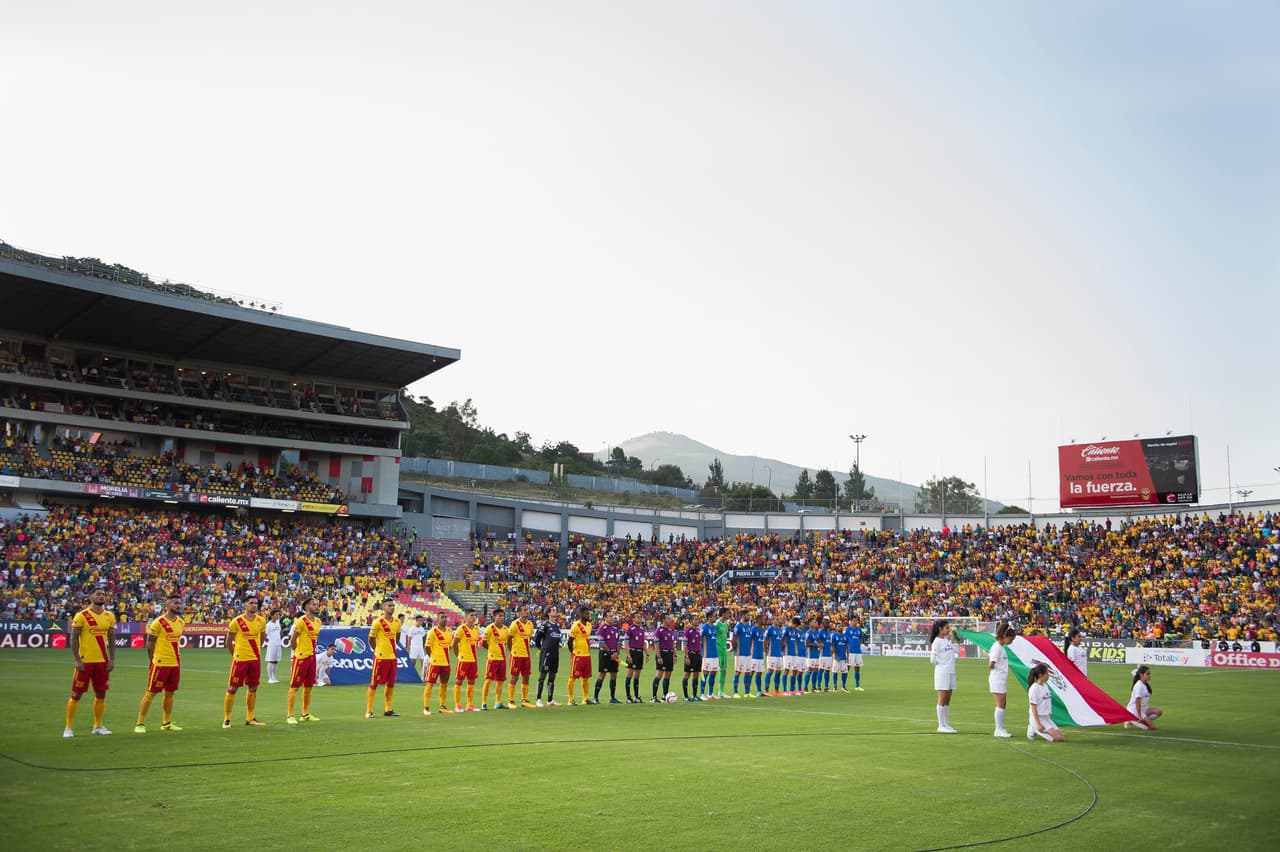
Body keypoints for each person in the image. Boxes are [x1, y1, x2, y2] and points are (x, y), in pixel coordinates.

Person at [65, 587, 117, 737]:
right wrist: (76, 659)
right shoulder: (82, 616)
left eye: (103, 594)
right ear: (90, 597)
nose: (101, 596)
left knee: (101, 694)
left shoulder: (109, 616)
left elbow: (112, 638)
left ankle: (98, 726)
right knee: (76, 694)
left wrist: (112, 659)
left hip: (102, 662)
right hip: (85, 661)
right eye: (98, 594)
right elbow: (73, 638)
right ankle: (68, 728)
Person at [135, 591, 184, 734]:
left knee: (170, 694)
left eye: (180, 603)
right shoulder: (158, 623)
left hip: (175, 664)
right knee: (151, 693)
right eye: (175, 603)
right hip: (161, 663)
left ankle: (166, 723)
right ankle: (140, 723)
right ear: (167, 605)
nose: (178, 605)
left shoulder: (181, 622)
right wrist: (152, 662)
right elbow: (150, 644)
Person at [224, 595, 267, 729]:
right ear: (245, 605)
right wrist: (235, 655)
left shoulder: (261, 621)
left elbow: (261, 639)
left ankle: (250, 718)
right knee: (233, 688)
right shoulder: (236, 622)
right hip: (240, 660)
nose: (254, 605)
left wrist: (256, 652)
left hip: (255, 659)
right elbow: (228, 642)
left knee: (253, 687)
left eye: (256, 603)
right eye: (251, 603)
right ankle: (227, 719)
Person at [286, 597, 322, 724]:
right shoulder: (301, 621)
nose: (317, 606)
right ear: (307, 607)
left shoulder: (318, 621)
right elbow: (292, 640)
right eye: (314, 604)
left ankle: (305, 713)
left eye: (317, 604)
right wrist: (298, 653)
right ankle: (290, 715)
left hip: (312, 657)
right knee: (295, 686)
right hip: (301, 657)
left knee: (309, 686)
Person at [365, 599, 402, 718]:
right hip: (381, 658)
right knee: (374, 683)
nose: (392, 607)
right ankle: (369, 711)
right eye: (389, 605)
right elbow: (371, 639)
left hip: (392, 657)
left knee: (391, 684)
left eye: (393, 605)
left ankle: (388, 709)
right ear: (383, 607)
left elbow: (397, 637)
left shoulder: (397, 622)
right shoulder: (378, 622)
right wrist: (377, 650)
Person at [929, 619, 958, 733]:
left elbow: (956, 650)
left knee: (948, 698)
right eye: (947, 628)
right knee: (942, 698)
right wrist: (942, 663)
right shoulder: (937, 642)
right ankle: (941, 725)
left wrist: (954, 635)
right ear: (940, 629)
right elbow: (932, 659)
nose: (948, 629)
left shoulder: (946, 641)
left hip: (951, 671)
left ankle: (946, 724)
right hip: (942, 672)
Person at [988, 621, 1015, 738]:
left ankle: (1000, 728)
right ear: (1005, 636)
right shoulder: (997, 647)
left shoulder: (1000, 647)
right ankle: (998, 729)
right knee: (1000, 704)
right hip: (997, 678)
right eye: (1011, 639)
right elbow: (991, 664)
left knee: (1003, 704)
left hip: (1001, 679)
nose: (1011, 642)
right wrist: (995, 665)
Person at [452, 608, 482, 712]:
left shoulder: (477, 630)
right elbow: (454, 644)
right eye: (471, 615)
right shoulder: (461, 629)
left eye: (474, 615)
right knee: (459, 681)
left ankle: (469, 704)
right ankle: (457, 705)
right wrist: (458, 655)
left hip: (473, 660)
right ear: (466, 617)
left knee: (471, 681)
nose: (473, 618)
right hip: (463, 659)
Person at [533, 607, 564, 707]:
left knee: (552, 676)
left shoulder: (558, 626)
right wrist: (541, 649)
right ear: (549, 614)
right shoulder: (545, 625)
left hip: (555, 654)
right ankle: (538, 699)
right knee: (542, 676)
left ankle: (550, 700)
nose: (556, 612)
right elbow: (537, 638)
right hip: (547, 653)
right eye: (554, 610)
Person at [507, 604, 536, 709]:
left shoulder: (530, 624)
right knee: (514, 677)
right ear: (519, 612)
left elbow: (530, 637)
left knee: (526, 677)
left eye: (527, 610)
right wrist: (512, 650)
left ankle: (525, 700)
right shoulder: (515, 624)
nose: (526, 612)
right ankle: (510, 701)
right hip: (517, 655)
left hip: (526, 655)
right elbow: (509, 639)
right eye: (524, 610)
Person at [1027, 663, 1064, 742]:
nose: (1048, 675)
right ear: (1040, 675)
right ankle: (1034, 728)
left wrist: (1049, 716)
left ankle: (1039, 730)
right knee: (1057, 739)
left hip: (1046, 717)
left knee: (1061, 738)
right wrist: (1038, 724)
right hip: (1039, 718)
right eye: (1047, 673)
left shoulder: (1045, 686)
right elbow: (1033, 707)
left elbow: (1047, 703)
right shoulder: (1034, 689)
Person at [423, 619, 453, 715]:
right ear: (438, 619)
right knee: (430, 684)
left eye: (445, 617)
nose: (444, 619)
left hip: (446, 662)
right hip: (435, 662)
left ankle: (442, 707)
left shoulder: (449, 631)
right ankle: (426, 708)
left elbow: (449, 646)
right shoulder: (432, 631)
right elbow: (427, 647)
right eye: (442, 617)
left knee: (444, 684)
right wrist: (433, 657)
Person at [480, 609, 509, 710]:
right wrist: (491, 650)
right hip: (492, 658)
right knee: (488, 680)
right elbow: (484, 643)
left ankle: (498, 702)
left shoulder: (506, 629)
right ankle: (484, 703)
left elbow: (505, 642)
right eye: (499, 616)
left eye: (502, 616)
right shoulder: (490, 628)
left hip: (502, 659)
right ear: (494, 617)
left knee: (500, 681)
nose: (501, 618)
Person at [593, 610, 622, 705]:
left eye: (612, 616)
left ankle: (612, 697)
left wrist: (616, 653)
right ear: (605, 617)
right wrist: (610, 653)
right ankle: (595, 698)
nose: (612, 618)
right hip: (605, 654)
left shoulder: (615, 629)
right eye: (610, 616)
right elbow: (601, 644)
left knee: (614, 675)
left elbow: (618, 643)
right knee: (602, 674)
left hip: (614, 655)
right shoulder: (602, 628)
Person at [567, 606, 593, 706]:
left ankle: (585, 699)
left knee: (586, 677)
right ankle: (570, 700)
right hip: (578, 655)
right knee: (573, 677)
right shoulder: (576, 626)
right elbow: (570, 641)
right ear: (581, 614)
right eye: (586, 613)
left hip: (587, 655)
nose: (588, 615)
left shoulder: (589, 625)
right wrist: (572, 652)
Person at [1125, 665, 1162, 730]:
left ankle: (1139, 720)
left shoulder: (1145, 684)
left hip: (1143, 709)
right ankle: (1133, 719)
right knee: (1152, 728)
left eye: (1149, 674)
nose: (1149, 675)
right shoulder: (1139, 686)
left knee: (1158, 711)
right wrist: (1140, 716)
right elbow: (1137, 702)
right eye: (1147, 674)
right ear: (1141, 675)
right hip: (1135, 711)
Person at [651, 614, 676, 703]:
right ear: (663, 620)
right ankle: (653, 697)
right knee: (659, 675)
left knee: (668, 676)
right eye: (668, 618)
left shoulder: (670, 630)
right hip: (662, 654)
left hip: (669, 654)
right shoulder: (659, 631)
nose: (670, 620)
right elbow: (656, 645)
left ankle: (665, 696)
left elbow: (672, 644)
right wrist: (659, 656)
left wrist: (675, 655)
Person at [624, 612, 647, 704]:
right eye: (638, 617)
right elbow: (626, 643)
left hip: (639, 653)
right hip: (632, 652)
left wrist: (646, 653)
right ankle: (628, 697)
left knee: (637, 676)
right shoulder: (630, 629)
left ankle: (636, 696)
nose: (640, 618)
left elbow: (643, 643)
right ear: (633, 619)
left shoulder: (641, 629)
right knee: (629, 675)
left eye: (640, 617)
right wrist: (628, 655)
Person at [732, 612, 754, 698]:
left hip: (747, 653)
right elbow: (734, 639)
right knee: (738, 672)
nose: (748, 617)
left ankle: (747, 692)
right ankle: (735, 692)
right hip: (739, 653)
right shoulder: (738, 626)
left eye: (749, 615)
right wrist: (735, 650)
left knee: (748, 672)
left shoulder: (749, 627)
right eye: (747, 615)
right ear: (742, 616)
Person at [763, 613, 785, 696]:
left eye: (779, 619)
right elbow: (765, 640)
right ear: (772, 620)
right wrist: (765, 651)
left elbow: (782, 641)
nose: (778, 621)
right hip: (772, 654)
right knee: (770, 671)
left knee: (778, 672)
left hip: (779, 654)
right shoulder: (770, 629)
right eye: (776, 619)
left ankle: (776, 691)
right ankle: (766, 690)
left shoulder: (780, 629)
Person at [681, 617, 703, 702]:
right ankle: (686, 696)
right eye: (695, 619)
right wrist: (686, 656)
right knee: (687, 674)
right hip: (690, 655)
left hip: (698, 655)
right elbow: (685, 645)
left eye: (698, 619)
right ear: (691, 621)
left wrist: (700, 654)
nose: (697, 621)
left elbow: (698, 644)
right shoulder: (687, 631)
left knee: (696, 675)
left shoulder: (698, 631)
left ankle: (694, 696)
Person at [699, 612, 720, 700]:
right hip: (707, 655)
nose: (716, 618)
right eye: (714, 616)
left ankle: (711, 693)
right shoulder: (704, 627)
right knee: (705, 673)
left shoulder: (715, 627)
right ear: (709, 617)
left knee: (713, 673)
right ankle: (702, 693)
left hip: (715, 654)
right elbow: (699, 639)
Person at [715, 607, 732, 699]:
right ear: (723, 614)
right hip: (717, 649)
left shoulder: (726, 623)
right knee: (712, 670)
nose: (729, 615)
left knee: (724, 670)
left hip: (724, 650)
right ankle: (708, 692)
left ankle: (721, 691)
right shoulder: (716, 624)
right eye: (728, 613)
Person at [846, 614, 866, 691]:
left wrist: (860, 645)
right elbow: (846, 640)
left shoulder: (859, 630)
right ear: (851, 621)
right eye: (854, 620)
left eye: (856, 620)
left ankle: (857, 686)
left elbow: (860, 638)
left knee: (857, 668)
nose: (855, 622)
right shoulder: (848, 629)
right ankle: (844, 685)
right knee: (847, 668)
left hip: (858, 651)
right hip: (851, 651)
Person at [265, 609, 283, 684]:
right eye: (276, 614)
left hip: (278, 644)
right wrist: (269, 640)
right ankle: (270, 678)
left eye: (278, 614)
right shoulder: (268, 625)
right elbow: (265, 634)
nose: (278, 616)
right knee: (271, 660)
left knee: (276, 661)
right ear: (272, 615)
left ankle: (274, 677)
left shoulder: (278, 623)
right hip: (272, 645)